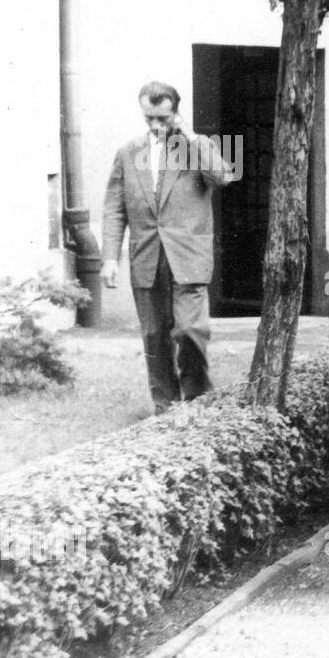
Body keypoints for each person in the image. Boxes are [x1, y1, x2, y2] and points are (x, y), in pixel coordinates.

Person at [101, 81, 234, 414]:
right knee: (154, 336)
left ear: (176, 112)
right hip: (147, 256)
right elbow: (114, 208)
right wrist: (109, 258)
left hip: (187, 258)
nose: (156, 126)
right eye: (149, 119)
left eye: (163, 118)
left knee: (190, 331)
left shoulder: (198, 146)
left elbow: (223, 177)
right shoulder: (128, 153)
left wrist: (188, 134)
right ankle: (166, 409)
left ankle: (197, 401)